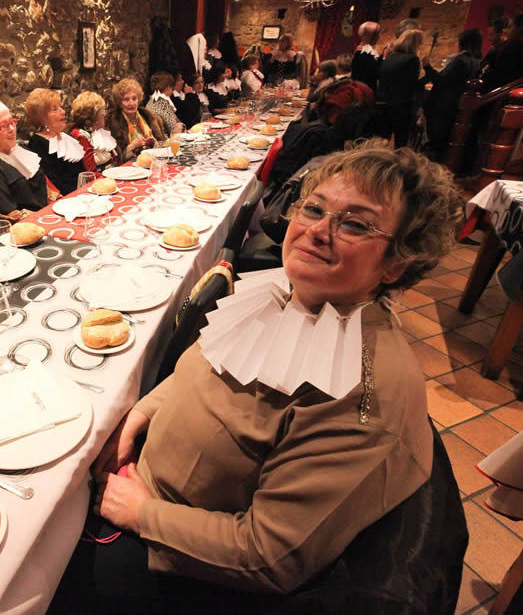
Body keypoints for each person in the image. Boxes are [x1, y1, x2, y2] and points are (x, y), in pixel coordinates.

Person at [53, 143, 463, 610]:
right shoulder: (287, 294)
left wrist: (143, 514)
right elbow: (204, 369)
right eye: (313, 209)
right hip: (141, 485)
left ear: (398, 263)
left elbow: (270, 556)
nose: (317, 231)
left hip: (181, 558)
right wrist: (140, 416)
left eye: (354, 224)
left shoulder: (359, 391)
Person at [0, 99, 54, 235]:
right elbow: (7, 213)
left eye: (12, 122)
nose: (11, 129)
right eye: (3, 126)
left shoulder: (19, 149)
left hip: (44, 220)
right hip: (21, 233)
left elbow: (46, 188)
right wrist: (47, 222)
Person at [422, 28, 482, 160]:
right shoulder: (476, 62)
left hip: (443, 106)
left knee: (435, 142)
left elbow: (440, 81)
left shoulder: (460, 60)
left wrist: (427, 66)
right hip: (456, 104)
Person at [25, 88, 87, 195]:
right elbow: (53, 185)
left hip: (85, 192)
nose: (62, 111)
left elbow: (82, 174)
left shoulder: (65, 137)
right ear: (41, 117)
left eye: (60, 107)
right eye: (54, 109)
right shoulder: (38, 144)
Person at [378, 28, 424, 148]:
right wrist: (428, 73)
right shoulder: (412, 59)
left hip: (385, 101)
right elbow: (412, 84)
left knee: (384, 138)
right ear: (415, 44)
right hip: (402, 104)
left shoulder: (391, 56)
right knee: (401, 141)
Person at [481, 11, 523, 93]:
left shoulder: (522, 45)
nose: (506, 31)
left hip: (504, 92)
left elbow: (503, 72)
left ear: (521, 27)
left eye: (510, 27)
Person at [108, 78, 165, 162]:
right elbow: (117, 159)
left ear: (139, 99)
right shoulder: (113, 122)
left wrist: (154, 143)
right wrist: (131, 147)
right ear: (120, 102)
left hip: (151, 161)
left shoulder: (148, 116)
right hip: (129, 168)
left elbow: (163, 148)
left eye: (134, 99)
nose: (131, 103)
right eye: (126, 99)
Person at [70, 91, 120, 172]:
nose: (105, 114)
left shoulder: (100, 132)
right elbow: (90, 173)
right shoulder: (81, 136)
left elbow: (116, 161)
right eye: (102, 111)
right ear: (94, 116)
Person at [145, 71, 185, 138]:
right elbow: (174, 130)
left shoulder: (151, 101)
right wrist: (182, 126)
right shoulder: (162, 103)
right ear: (168, 87)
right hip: (166, 143)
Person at [352, 21, 381, 93]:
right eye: (377, 34)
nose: (379, 37)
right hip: (365, 92)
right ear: (371, 36)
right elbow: (375, 73)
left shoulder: (366, 51)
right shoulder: (363, 53)